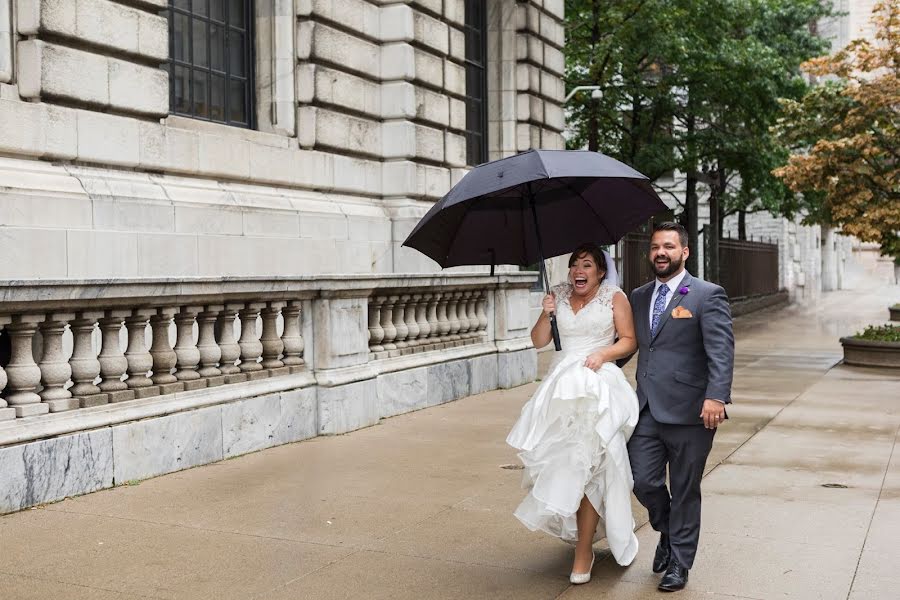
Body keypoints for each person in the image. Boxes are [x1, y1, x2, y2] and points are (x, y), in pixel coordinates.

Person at [507, 243, 640, 584]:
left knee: (594, 465)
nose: (579, 270)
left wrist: (603, 353)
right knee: (566, 464)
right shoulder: (558, 295)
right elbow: (538, 340)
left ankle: (584, 550)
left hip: (598, 384)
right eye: (575, 265)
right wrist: (545, 311)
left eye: (587, 265)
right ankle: (582, 539)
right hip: (561, 388)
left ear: (599, 271)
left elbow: (628, 340)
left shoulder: (615, 297)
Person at [627, 222, 734, 592]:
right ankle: (669, 531)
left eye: (669, 246)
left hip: (693, 411)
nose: (661, 252)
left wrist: (716, 396)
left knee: (686, 488)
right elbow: (626, 344)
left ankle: (680, 563)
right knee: (642, 481)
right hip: (645, 410)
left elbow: (720, 350)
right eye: (655, 246)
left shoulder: (707, 294)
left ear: (684, 252)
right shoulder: (639, 296)